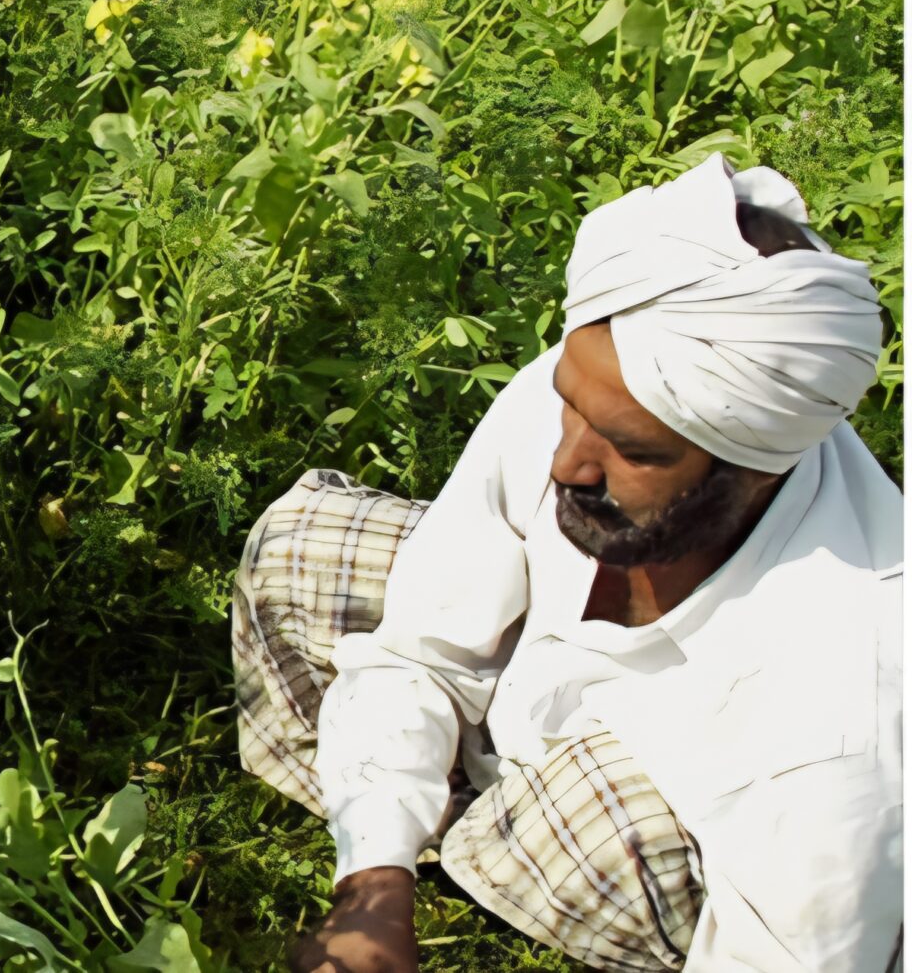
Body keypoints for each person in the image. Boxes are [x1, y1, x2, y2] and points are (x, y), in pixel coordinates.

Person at [230, 152, 901, 972]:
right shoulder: (606, 381)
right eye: (570, 404)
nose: (566, 464)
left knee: (592, 812)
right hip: (522, 721)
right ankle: (423, 825)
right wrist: (373, 888)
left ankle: (493, 844)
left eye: (630, 450)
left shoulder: (836, 725)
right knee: (301, 547)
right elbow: (419, 649)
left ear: (753, 469)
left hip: (663, 831)